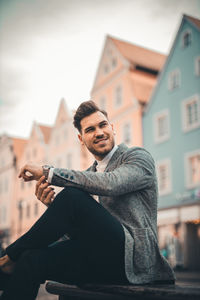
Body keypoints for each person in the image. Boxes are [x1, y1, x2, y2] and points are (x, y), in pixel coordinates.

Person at [0, 100, 175, 300]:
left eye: (103, 125)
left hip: (135, 261)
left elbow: (112, 183)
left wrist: (49, 173)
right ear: (81, 139)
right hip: (97, 260)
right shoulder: (86, 177)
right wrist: (53, 207)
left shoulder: (137, 157)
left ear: (112, 128)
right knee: (31, 259)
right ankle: (14, 260)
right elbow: (77, 235)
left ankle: (8, 258)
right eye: (90, 129)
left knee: (72, 196)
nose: (99, 132)